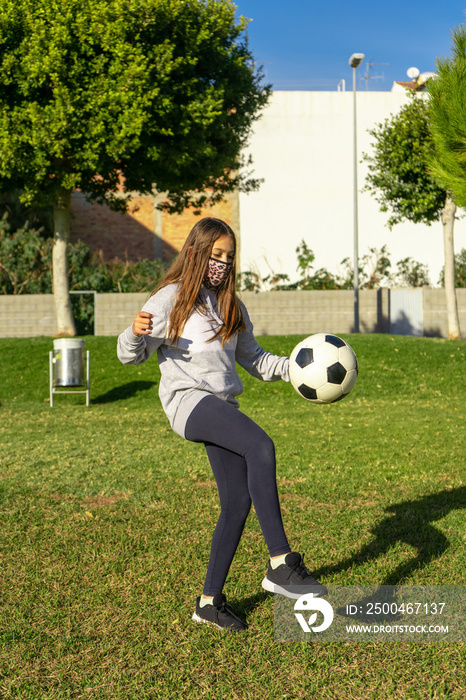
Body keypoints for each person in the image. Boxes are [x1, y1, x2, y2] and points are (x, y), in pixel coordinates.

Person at [117, 217, 327, 632]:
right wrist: (133, 332)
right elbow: (131, 355)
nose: (223, 264)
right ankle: (281, 563)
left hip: (221, 406)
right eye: (217, 256)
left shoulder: (231, 305)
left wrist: (300, 370)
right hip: (188, 401)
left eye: (229, 257)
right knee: (260, 446)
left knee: (236, 503)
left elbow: (258, 360)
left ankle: (209, 603)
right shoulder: (171, 298)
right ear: (196, 253)